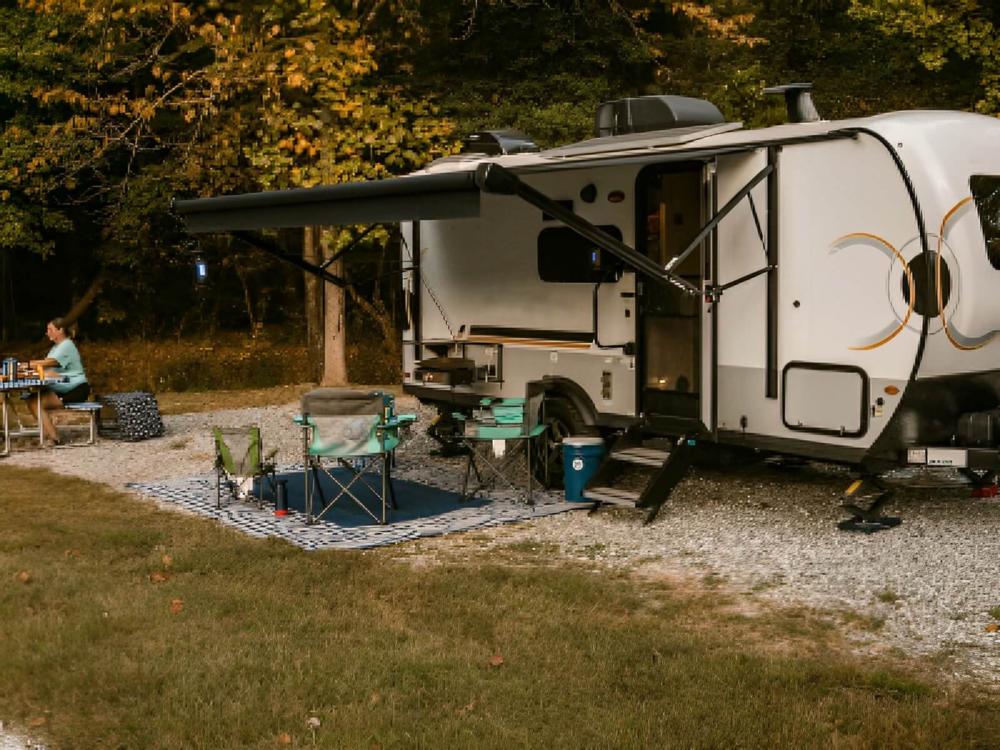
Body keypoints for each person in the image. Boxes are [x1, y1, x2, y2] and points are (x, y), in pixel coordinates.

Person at [26, 317, 90, 445]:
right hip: (66, 387)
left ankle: (53, 438)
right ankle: (48, 435)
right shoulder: (57, 347)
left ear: (60, 330)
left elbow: (51, 362)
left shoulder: (67, 345)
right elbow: (47, 369)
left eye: (50, 329)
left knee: (35, 401)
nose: (47, 333)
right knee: (32, 399)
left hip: (75, 389)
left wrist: (27, 365)